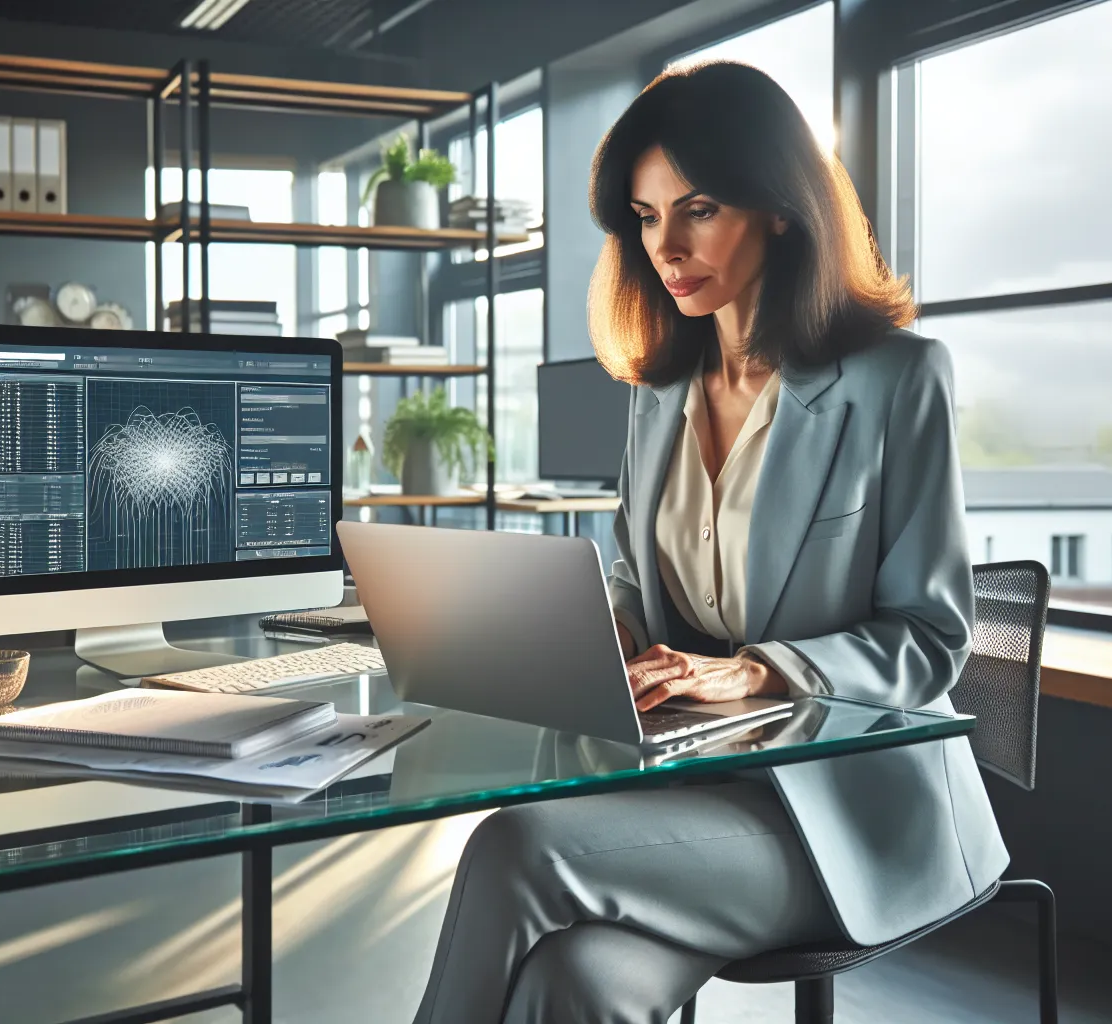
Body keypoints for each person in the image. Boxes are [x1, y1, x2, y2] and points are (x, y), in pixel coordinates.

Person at [409, 61, 1008, 1023]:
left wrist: (757, 670)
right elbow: (631, 584)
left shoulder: (898, 380)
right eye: (646, 219)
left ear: (777, 205)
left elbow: (933, 640)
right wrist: (590, 632)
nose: (668, 248)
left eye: (698, 209)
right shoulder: (658, 397)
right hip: (685, 785)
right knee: (581, 986)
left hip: (840, 817)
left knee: (516, 846)